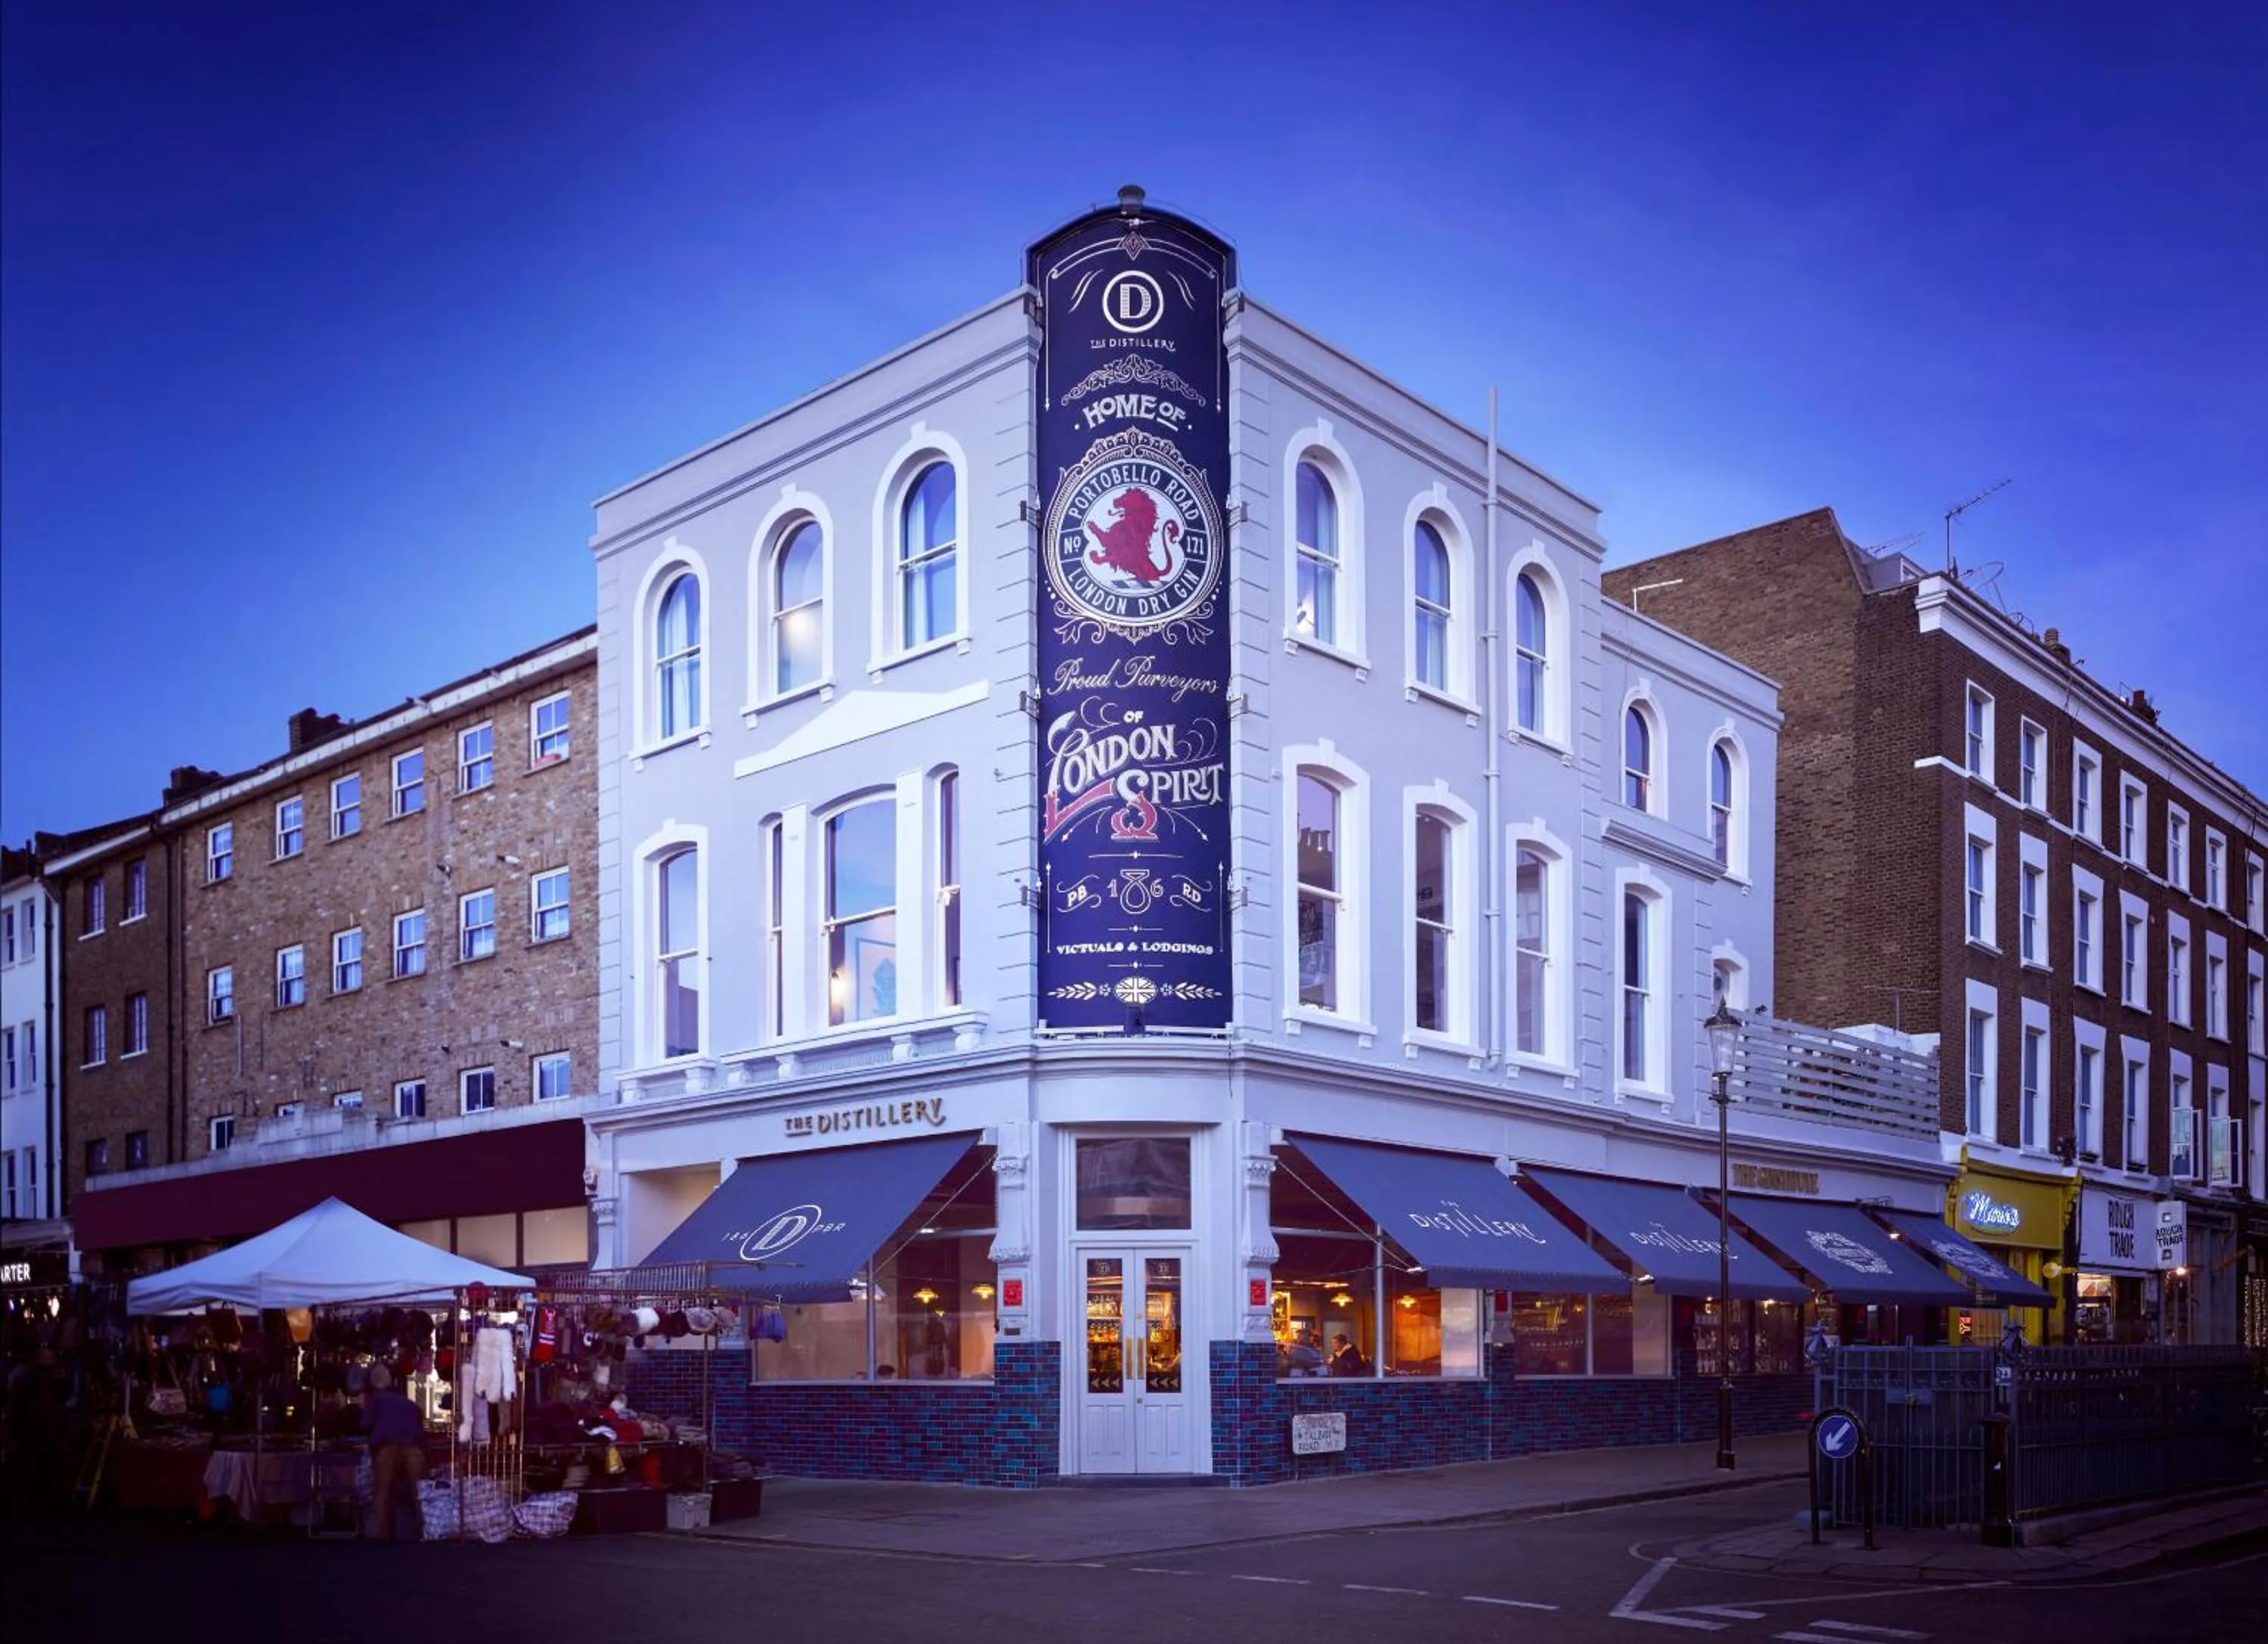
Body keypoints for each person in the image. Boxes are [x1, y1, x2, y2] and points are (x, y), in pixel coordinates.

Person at [361, 1364, 426, 1540]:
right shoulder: (408, 1403)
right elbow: (420, 1426)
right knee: (419, 1492)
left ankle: (381, 1534)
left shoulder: (376, 1400)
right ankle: (425, 1531)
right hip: (412, 1447)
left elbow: (364, 1424)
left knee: (382, 1490)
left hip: (386, 1446)